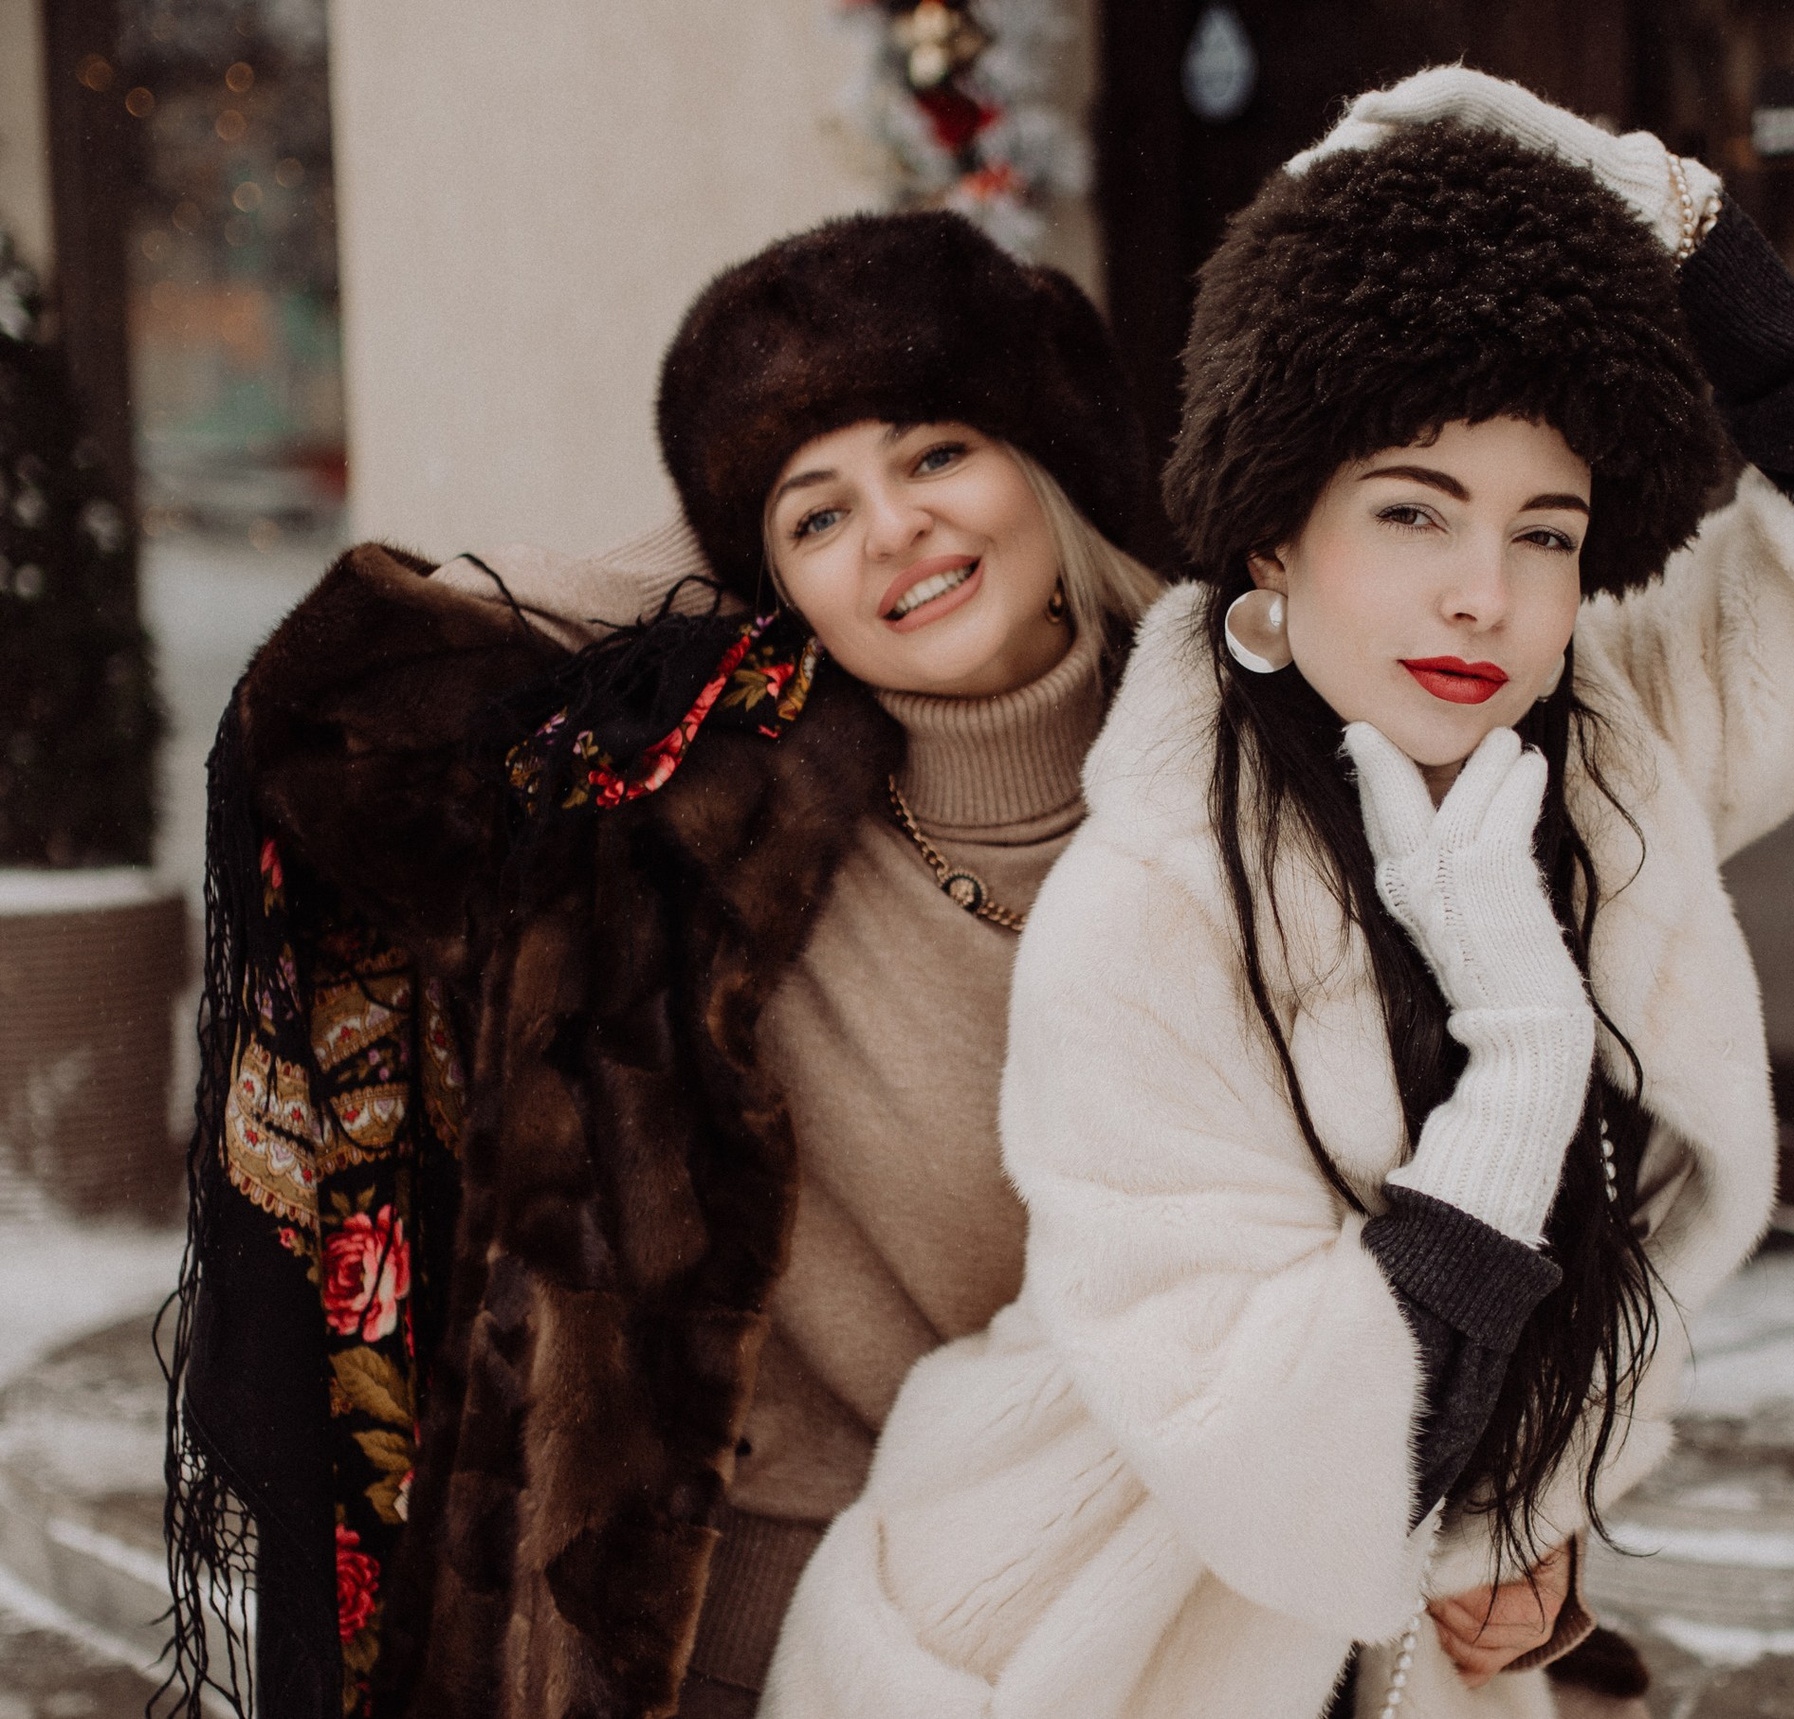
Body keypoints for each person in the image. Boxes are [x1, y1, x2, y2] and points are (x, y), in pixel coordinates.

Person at [758, 71, 1794, 1719]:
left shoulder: (1605, 754)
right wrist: (1520, 1054)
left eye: (1544, 532)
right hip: (1080, 1635)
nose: (1482, 594)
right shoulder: (1149, 908)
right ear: (1274, 536)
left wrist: (1673, 223)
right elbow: (1303, 1458)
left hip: (1400, 1649)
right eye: (1412, 510)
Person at [164, 211, 1164, 1719]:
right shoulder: (701, 829)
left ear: (1050, 459)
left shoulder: (1245, 786)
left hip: (1147, 1615)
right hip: (754, 1635)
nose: (891, 528)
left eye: (936, 453)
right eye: (815, 514)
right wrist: (705, 565)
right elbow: (332, 710)